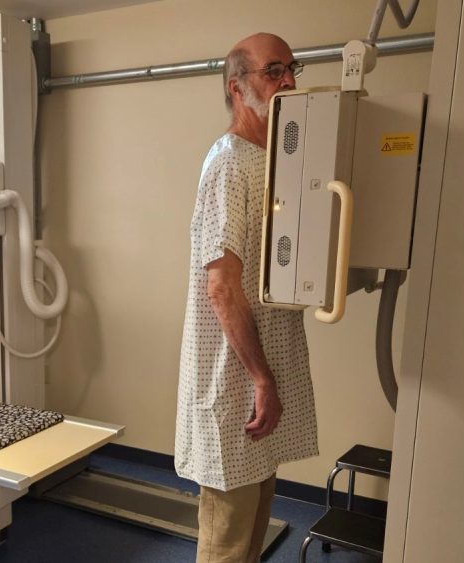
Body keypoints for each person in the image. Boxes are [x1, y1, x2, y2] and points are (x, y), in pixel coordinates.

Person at [175, 33, 318, 563]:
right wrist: (261, 379)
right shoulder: (229, 162)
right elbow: (222, 287)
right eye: (273, 70)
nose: (289, 80)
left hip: (262, 375)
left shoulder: (272, 158)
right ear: (237, 88)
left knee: (254, 531)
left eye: (291, 68)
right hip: (234, 382)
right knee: (228, 542)